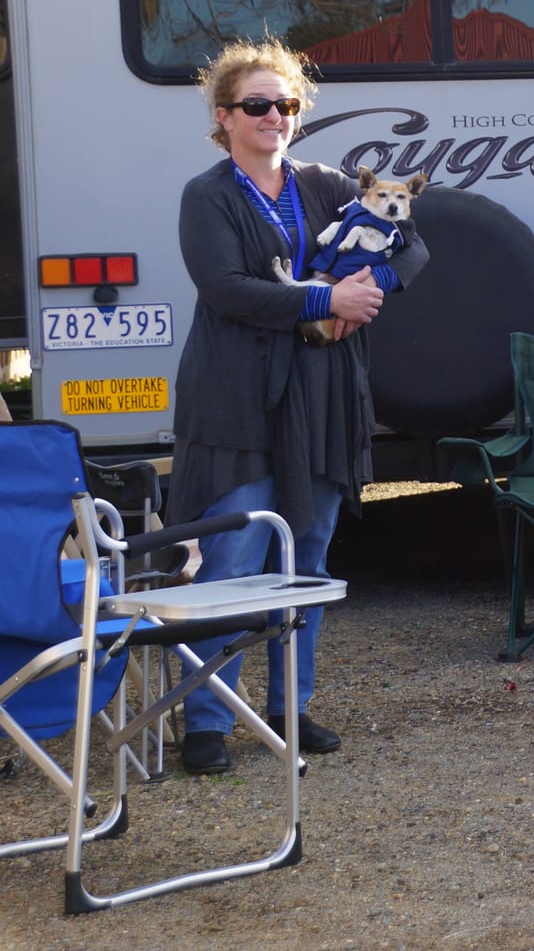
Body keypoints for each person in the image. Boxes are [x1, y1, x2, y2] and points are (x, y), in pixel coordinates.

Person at [172, 38, 428, 774]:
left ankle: (290, 709)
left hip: (321, 396)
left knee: (307, 558)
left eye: (284, 103)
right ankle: (207, 720)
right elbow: (227, 289)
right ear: (225, 117)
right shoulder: (208, 196)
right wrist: (325, 299)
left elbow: (411, 247)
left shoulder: (326, 183)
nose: (273, 116)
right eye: (256, 104)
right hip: (238, 400)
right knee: (233, 560)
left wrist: (370, 290)